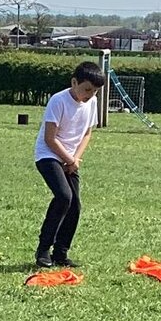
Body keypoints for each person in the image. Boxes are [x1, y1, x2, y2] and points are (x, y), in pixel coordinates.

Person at [33, 61, 105, 268]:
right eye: (87, 89)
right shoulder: (58, 101)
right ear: (74, 82)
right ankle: (43, 250)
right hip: (49, 155)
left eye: (95, 91)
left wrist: (76, 159)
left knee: (75, 205)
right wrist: (69, 159)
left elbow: (87, 133)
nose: (91, 95)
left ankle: (60, 253)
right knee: (64, 196)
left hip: (71, 158)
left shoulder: (91, 102)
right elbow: (50, 138)